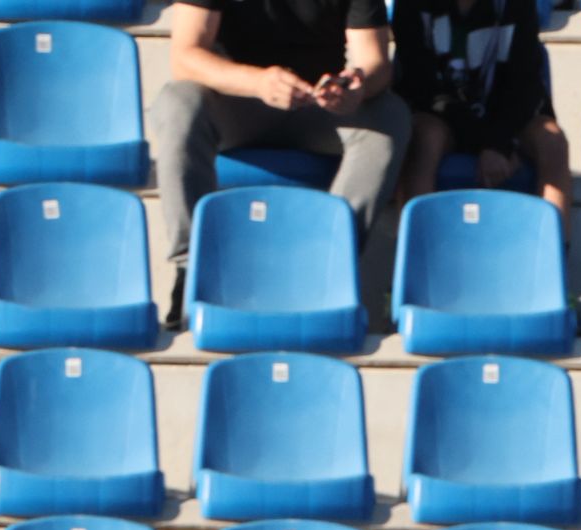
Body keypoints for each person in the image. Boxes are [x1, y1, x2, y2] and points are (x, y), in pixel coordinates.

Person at [149, 0, 411, 329]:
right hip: (236, 101)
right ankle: (192, 270)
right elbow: (186, 56)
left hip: (319, 103)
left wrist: (357, 86)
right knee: (177, 102)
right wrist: (258, 82)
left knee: (390, 116)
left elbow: (375, 61)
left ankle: (328, 267)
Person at [391, 0, 573, 235]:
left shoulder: (518, 5)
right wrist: (489, 144)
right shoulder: (411, 6)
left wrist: (500, 143)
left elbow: (525, 86)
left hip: (506, 118)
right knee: (423, 136)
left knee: (553, 140)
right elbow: (419, 86)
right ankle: (416, 249)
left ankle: (552, 253)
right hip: (442, 116)